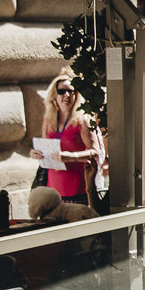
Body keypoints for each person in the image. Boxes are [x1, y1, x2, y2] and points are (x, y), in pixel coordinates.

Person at [28, 74, 103, 223]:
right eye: (62, 91)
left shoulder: (83, 119)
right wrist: (35, 153)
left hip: (77, 189)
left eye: (71, 91)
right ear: (54, 96)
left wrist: (70, 156)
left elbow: (96, 152)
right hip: (52, 193)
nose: (67, 95)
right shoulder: (48, 119)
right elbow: (44, 148)